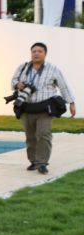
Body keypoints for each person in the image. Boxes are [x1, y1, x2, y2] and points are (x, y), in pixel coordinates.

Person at [10, 42, 76, 174]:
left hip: (45, 109)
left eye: (39, 51)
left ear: (45, 54)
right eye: (34, 51)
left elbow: (63, 86)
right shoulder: (23, 67)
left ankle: (42, 163)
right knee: (30, 137)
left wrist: (71, 103)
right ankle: (33, 161)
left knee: (43, 135)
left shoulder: (53, 69)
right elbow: (13, 82)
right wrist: (18, 84)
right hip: (27, 108)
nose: (36, 53)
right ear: (31, 53)